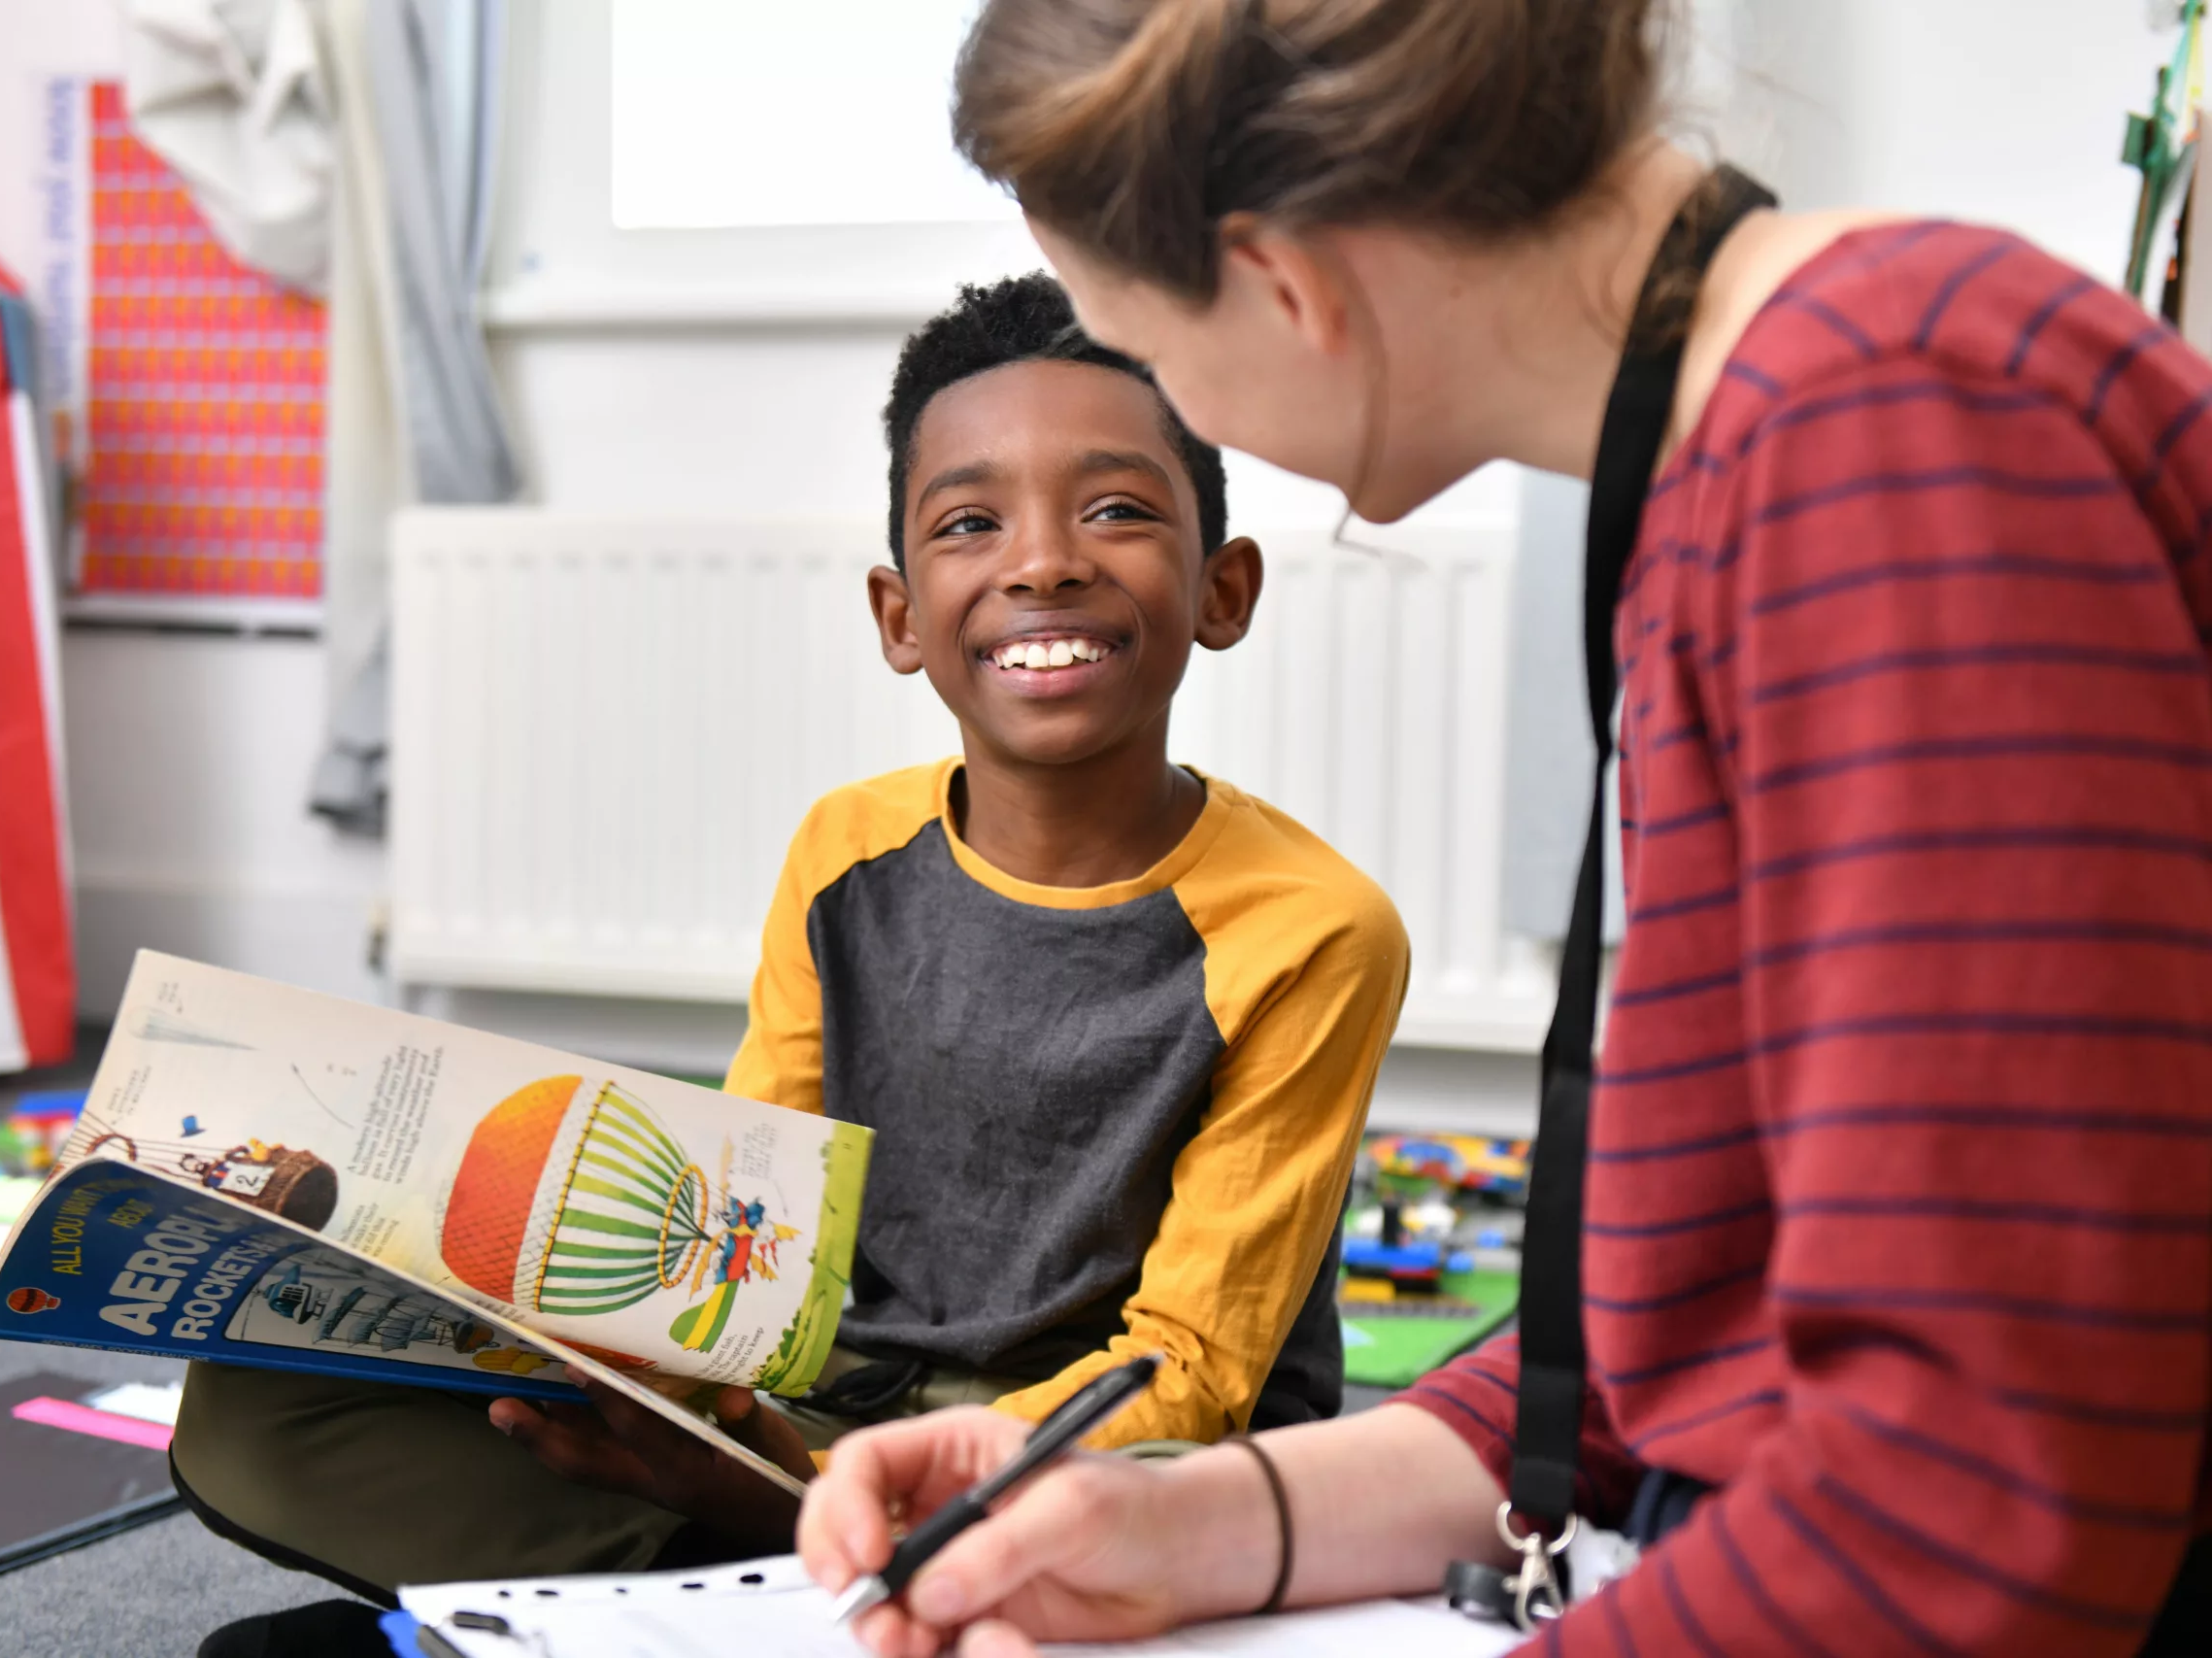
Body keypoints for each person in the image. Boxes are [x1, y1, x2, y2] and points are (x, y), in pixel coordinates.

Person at [796, 4, 2212, 1656]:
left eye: (1155, 358)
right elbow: (1677, 1309)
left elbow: (1976, 1498)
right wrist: (1180, 1519)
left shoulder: (1883, 442)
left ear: (1286, 285)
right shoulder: (1769, 443)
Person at [173, 273, 1411, 1642]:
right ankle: (798, 1569)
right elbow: (749, 1235)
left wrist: (810, 1483)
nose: (1045, 559)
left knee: (1170, 1495)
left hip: (1094, 1457)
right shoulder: (844, 850)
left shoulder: (1313, 928)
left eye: (1116, 509)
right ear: (898, 613)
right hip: (830, 1408)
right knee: (263, 1390)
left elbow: (1190, 1373)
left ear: (1222, 587)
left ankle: (770, 1569)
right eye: (971, 521)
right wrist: (682, 1396)